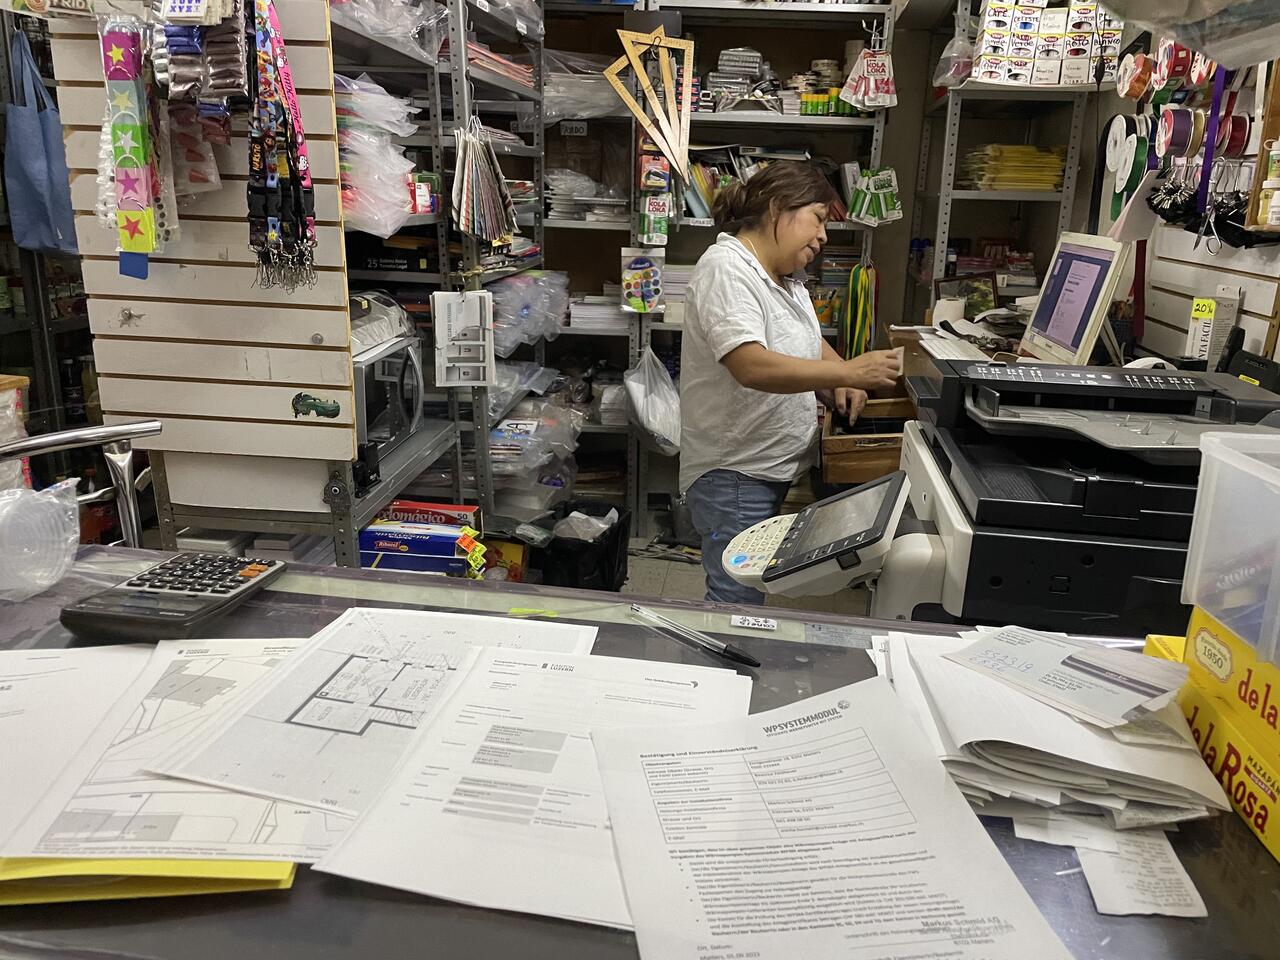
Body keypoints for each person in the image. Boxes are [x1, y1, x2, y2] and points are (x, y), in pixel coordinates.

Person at [680, 161, 903, 605]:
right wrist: (849, 372)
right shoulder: (727, 269)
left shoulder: (784, 278)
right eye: (818, 219)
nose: (823, 236)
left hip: (770, 465)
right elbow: (750, 365)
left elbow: (805, 340)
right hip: (737, 473)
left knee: (751, 593)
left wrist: (840, 374)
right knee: (735, 602)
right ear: (778, 207)